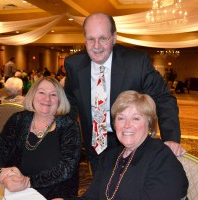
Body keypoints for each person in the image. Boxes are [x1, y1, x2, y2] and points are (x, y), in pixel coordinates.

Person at [64, 12, 185, 173]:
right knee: (101, 188)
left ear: (114, 37)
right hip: (94, 143)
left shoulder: (136, 63)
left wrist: (171, 139)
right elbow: (69, 102)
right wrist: (61, 134)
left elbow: (163, 99)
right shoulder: (73, 64)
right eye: (91, 39)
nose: (96, 46)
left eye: (103, 38)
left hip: (130, 140)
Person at [70, 91, 188, 200]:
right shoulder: (109, 157)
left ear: (150, 124)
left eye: (136, 118)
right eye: (121, 118)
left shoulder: (162, 158)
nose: (127, 125)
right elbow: (91, 197)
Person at [0, 77, 82, 199]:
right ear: (32, 95)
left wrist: (28, 181)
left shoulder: (69, 125)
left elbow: (67, 168)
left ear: (59, 100)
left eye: (53, 94)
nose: (47, 99)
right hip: (16, 191)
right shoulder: (18, 120)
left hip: (55, 193)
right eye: (41, 92)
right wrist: (0, 174)